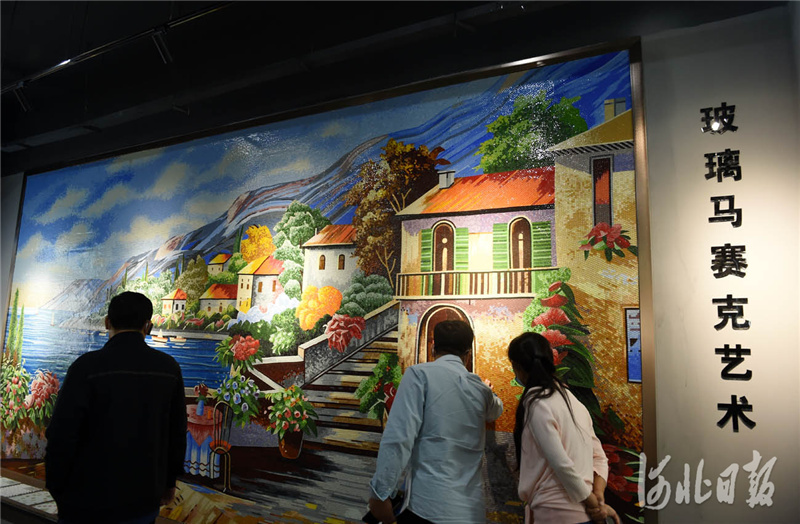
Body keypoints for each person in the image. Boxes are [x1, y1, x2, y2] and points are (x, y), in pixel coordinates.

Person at [45, 291, 188, 524]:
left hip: (85, 502)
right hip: (142, 502)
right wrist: (169, 482)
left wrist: (58, 489)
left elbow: (61, 434)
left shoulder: (85, 367)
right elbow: (177, 434)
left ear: (107, 322)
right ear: (148, 326)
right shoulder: (168, 369)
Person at [368, 320, 503, 524]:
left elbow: (399, 438)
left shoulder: (419, 375)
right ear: (467, 355)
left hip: (428, 507)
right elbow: (496, 410)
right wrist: (488, 390)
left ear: (433, 347)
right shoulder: (480, 390)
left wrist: (380, 493)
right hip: (470, 513)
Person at [508, 331, 621, 524]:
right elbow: (599, 457)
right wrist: (598, 497)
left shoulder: (538, 403)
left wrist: (592, 503)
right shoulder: (574, 401)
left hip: (554, 512)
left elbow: (560, 462)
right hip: (583, 514)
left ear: (517, 367)